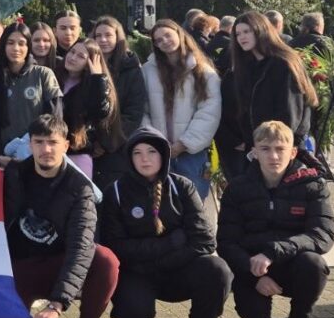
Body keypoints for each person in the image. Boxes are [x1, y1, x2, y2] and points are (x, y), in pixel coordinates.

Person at [101, 127, 232, 318]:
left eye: (152, 151)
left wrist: (162, 259)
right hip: (138, 273)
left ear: (163, 154)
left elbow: (204, 240)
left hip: (178, 270)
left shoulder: (182, 186)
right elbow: (116, 246)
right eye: (138, 153)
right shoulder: (115, 192)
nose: (145, 159)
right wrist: (172, 242)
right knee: (133, 311)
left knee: (217, 269)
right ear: (129, 158)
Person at [1, 116, 120, 318]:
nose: (46, 149)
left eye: (53, 142)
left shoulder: (81, 188)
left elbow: (81, 249)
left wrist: (58, 304)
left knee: (105, 260)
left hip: (58, 266)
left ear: (66, 145)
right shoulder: (13, 175)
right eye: (39, 142)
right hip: (19, 268)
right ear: (30, 145)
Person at [217, 121, 334, 318]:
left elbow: (323, 234)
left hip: (292, 263)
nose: (273, 156)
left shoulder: (313, 185)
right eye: (265, 149)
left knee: (314, 264)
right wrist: (253, 276)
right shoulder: (237, 188)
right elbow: (226, 242)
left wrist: (273, 252)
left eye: (280, 149)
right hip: (252, 267)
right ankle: (260, 317)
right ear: (254, 152)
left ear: (293, 152)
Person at [218, 11, 318, 177]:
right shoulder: (240, 69)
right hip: (250, 152)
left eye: (247, 31)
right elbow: (230, 108)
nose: (242, 37)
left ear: (261, 30)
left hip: (278, 149)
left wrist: (270, 144)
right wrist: (236, 141)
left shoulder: (283, 64)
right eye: (238, 34)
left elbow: (290, 112)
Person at [140, 20, 222, 202]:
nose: (164, 41)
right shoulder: (147, 71)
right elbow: (142, 109)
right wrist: (154, 140)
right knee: (160, 205)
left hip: (191, 153)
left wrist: (183, 144)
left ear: (180, 34)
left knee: (193, 204)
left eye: (167, 35)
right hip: (158, 151)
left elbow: (209, 112)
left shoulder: (203, 72)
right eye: (158, 40)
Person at [0, 23, 63, 167]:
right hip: (4, 160)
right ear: (3, 46)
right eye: (10, 43)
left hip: (39, 157)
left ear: (28, 47)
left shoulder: (43, 74)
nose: (16, 48)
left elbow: (55, 119)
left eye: (21, 43)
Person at [88, 16, 147, 185]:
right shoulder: (86, 63)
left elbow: (133, 113)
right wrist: (91, 142)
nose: (103, 40)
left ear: (118, 37)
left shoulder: (131, 69)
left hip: (118, 148)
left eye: (108, 35)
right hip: (87, 148)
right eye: (98, 36)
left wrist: (105, 142)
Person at [54, 40, 113, 181]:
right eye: (72, 52)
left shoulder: (93, 86)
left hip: (78, 152)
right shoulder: (54, 77)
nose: (73, 57)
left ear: (90, 63)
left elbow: (100, 113)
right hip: (51, 149)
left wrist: (97, 78)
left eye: (81, 56)